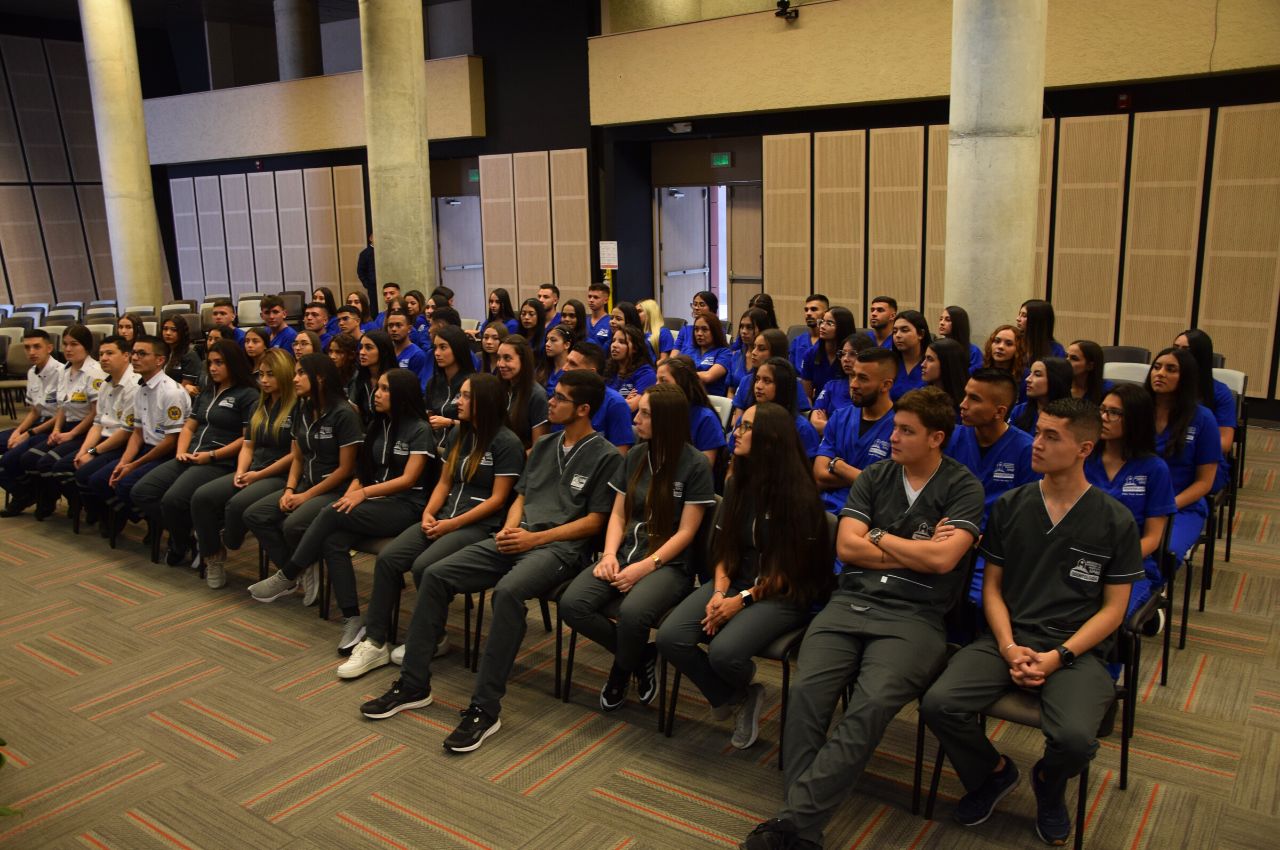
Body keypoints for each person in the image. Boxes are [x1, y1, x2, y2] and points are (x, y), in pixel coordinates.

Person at [741, 387, 984, 850]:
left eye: (906, 431)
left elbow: (942, 564)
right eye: (894, 427)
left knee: (868, 708)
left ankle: (792, 826)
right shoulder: (875, 476)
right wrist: (913, 548)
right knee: (809, 694)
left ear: (936, 438)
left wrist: (882, 538)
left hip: (915, 618)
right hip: (849, 604)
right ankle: (802, 829)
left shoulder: (963, 487)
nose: (893, 436)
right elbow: (848, 547)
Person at [358, 370, 622, 755]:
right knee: (434, 574)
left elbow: (595, 521)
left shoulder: (606, 456)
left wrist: (535, 537)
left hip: (558, 548)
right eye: (552, 393)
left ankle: (485, 708)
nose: (550, 401)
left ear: (583, 409)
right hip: (518, 535)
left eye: (560, 398)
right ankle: (413, 684)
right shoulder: (546, 445)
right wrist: (511, 530)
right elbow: (519, 496)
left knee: (508, 593)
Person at [920, 397, 1141, 848]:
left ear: (1084, 448)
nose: (1035, 444)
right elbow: (994, 590)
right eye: (1037, 432)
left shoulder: (1115, 519)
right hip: (1009, 637)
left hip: (1076, 651)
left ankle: (1049, 785)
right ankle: (993, 774)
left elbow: (1114, 611)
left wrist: (1058, 657)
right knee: (939, 703)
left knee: (1076, 741)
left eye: (1050, 436)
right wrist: (1006, 646)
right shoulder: (1013, 505)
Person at [658, 402, 833, 749]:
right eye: (738, 425)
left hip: (782, 593)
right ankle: (738, 695)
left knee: (724, 652)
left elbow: (790, 572)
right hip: (735, 582)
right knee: (670, 637)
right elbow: (724, 550)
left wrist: (742, 600)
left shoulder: (801, 498)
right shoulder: (738, 481)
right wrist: (720, 591)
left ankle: (734, 687)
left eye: (746, 427)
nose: (735, 432)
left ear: (769, 439)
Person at [338, 372, 524, 679]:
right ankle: (375, 641)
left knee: (424, 566)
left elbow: (498, 499)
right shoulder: (458, 434)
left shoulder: (507, 443)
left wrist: (451, 525)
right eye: (459, 394)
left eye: (465, 396)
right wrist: (429, 512)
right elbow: (444, 481)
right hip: (443, 515)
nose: (457, 402)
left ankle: (432, 637)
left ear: (485, 402)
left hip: (478, 523)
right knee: (389, 560)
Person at [251, 368, 432, 652]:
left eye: (385, 389)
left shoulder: (420, 429)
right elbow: (363, 471)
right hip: (374, 502)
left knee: (329, 514)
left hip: (405, 506)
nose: (377, 394)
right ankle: (352, 616)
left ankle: (289, 574)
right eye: (378, 388)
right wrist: (353, 494)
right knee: (332, 541)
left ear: (402, 395)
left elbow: (408, 480)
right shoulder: (378, 424)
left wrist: (361, 494)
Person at [561, 384, 716, 711]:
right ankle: (641, 655)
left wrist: (644, 567)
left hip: (669, 565)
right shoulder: (635, 456)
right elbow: (619, 512)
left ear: (667, 420)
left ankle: (620, 671)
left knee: (632, 614)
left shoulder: (695, 464)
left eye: (645, 413)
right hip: (624, 551)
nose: (637, 417)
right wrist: (607, 555)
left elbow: (687, 532)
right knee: (572, 604)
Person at [242, 354, 362, 600]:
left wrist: (305, 496)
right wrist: (289, 490)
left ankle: (295, 567)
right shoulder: (303, 407)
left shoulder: (344, 413)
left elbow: (346, 469)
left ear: (319, 378)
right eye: (295, 373)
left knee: (293, 524)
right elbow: (297, 457)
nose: (294, 379)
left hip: (334, 488)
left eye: (300, 373)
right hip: (305, 483)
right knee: (255, 514)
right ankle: (300, 568)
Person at [131, 340, 257, 566]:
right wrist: (181, 451)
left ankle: (181, 543)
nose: (213, 368)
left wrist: (213, 455)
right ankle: (189, 535)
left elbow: (246, 439)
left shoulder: (248, 395)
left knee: (172, 500)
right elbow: (190, 426)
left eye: (219, 363)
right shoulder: (208, 391)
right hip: (190, 455)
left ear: (234, 364)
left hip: (218, 462)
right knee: (142, 491)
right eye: (210, 363)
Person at [190, 347, 298, 590]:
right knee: (202, 497)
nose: (264, 380)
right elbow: (247, 446)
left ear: (283, 374)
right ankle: (213, 557)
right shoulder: (260, 405)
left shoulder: (296, 406)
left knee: (237, 506)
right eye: (261, 375)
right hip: (253, 469)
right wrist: (241, 472)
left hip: (280, 474)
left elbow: (295, 455)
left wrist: (256, 475)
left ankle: (225, 540)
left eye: (271, 375)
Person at [947, 369, 1039, 603]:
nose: (963, 404)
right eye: (965, 395)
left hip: (995, 548)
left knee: (977, 599)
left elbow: (1028, 515)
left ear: (999, 411)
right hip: (948, 535)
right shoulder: (952, 438)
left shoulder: (1026, 451)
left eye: (974, 399)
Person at [1086, 384, 1176, 619]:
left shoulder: (1154, 469)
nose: (1104, 418)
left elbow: (1153, 538)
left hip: (1131, 563)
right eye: (1102, 410)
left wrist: (1112, 561)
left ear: (1136, 419)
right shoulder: (1084, 458)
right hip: (1082, 556)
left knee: (1107, 618)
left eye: (1114, 413)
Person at [91, 337, 191, 537]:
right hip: (147, 448)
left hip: (167, 453)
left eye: (142, 354)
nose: (135, 358)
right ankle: (151, 520)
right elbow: (137, 433)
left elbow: (170, 441)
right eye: (134, 353)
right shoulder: (141, 388)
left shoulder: (171, 392)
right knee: (99, 480)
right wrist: (124, 462)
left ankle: (179, 531)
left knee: (126, 485)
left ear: (159, 360)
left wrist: (133, 466)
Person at [1147, 348, 1221, 562]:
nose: (1160, 373)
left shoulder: (1203, 419)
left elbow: (1205, 482)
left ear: (1186, 378)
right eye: (1157, 367)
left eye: (1171, 369)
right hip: (1136, 496)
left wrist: (1168, 504)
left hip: (1181, 505)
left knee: (1162, 552)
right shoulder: (1137, 410)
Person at [30, 326, 106, 519]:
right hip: (66, 426)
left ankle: (77, 500)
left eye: (74, 344)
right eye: (65, 344)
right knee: (33, 459)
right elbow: (61, 406)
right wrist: (56, 429)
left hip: (86, 430)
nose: (68, 349)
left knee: (50, 463)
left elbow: (95, 413)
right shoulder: (65, 370)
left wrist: (71, 434)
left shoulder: (95, 372)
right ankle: (62, 499)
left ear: (87, 347)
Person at [813, 347, 896, 514]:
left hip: (866, 515)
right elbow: (819, 476)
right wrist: (863, 478)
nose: (853, 384)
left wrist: (838, 466)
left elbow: (885, 489)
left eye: (863, 378)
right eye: (853, 376)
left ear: (886, 385)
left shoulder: (899, 427)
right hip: (822, 509)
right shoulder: (839, 417)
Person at [69, 335, 136, 526]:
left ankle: (118, 514)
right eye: (101, 354)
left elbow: (126, 432)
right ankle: (98, 510)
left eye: (109, 353)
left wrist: (92, 452)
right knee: (67, 465)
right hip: (104, 441)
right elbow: (97, 423)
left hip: (121, 444)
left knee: (89, 476)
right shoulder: (106, 383)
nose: (104, 358)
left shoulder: (134, 385)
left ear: (125, 356)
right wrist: (84, 451)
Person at [1173, 328, 1235, 489]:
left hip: (1203, 460)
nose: (1178, 354)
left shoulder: (1219, 392)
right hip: (1169, 454)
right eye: (1175, 347)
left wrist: (1190, 444)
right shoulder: (1165, 387)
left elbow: (1225, 443)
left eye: (1186, 349)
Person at [729, 358, 819, 464]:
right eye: (757, 379)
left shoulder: (802, 428)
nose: (758, 386)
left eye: (767, 381)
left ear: (782, 386)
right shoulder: (747, 419)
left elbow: (807, 472)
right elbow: (734, 460)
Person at [558, 343, 636, 453]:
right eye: (566, 361)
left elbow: (619, 456)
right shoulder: (561, 398)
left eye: (572, 364)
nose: (564, 368)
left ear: (591, 373)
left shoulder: (615, 404)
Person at [657, 356, 726, 467]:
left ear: (682, 383)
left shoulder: (706, 419)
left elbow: (705, 468)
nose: (657, 386)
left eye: (664, 381)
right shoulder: (661, 412)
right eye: (657, 380)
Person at [734, 328, 812, 423]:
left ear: (776, 353)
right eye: (754, 347)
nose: (753, 352)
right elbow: (738, 423)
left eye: (761, 348)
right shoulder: (746, 381)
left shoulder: (791, 382)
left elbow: (799, 418)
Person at [495, 335, 550, 451]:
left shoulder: (537, 395)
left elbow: (538, 448)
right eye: (499, 358)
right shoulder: (498, 388)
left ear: (523, 360)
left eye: (507, 358)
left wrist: (511, 461)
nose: (500, 364)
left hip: (520, 462)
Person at [424, 324, 476, 445]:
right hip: (434, 446)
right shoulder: (433, 383)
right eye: (435, 347)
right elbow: (428, 415)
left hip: (462, 446)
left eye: (443, 347)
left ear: (457, 349)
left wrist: (450, 422)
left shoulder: (472, 383)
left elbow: (479, 426)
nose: (437, 353)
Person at [802, 306, 855, 401]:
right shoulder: (811, 354)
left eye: (829, 323)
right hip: (819, 408)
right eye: (822, 321)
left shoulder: (853, 355)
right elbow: (807, 396)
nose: (822, 326)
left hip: (847, 406)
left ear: (842, 327)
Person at [1010, 356, 1073, 435]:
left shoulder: (1072, 417)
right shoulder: (1019, 411)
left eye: (1037, 374)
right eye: (1030, 373)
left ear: (1055, 380)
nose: (1028, 379)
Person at [351, 330, 397, 424]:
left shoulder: (396, 380)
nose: (362, 352)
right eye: (361, 347)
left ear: (383, 351)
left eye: (368, 348)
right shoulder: (358, 378)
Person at [607, 325, 657, 410]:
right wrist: (623, 401)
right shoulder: (609, 369)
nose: (614, 345)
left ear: (635, 348)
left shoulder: (646, 374)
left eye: (622, 342)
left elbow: (631, 407)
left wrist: (618, 402)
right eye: (613, 341)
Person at [890, 310, 932, 401]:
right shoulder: (889, 363)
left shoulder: (932, 364)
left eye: (904, 330)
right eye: (894, 331)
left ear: (921, 334)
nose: (898, 335)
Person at [384, 309, 432, 389]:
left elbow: (418, 387)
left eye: (399, 325)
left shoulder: (417, 355)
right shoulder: (386, 351)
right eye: (390, 325)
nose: (394, 329)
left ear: (409, 329)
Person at [922, 337, 970, 412]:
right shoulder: (921, 396)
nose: (923, 364)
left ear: (946, 364)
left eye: (930, 359)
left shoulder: (965, 404)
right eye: (925, 358)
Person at [691, 313, 733, 397]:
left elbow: (708, 376)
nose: (699, 333)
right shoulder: (689, 350)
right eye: (696, 329)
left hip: (712, 401)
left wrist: (683, 374)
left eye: (704, 329)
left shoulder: (725, 353)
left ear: (715, 331)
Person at [728, 308, 768, 394]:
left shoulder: (768, 357)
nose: (743, 331)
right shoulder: (736, 355)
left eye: (749, 327)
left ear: (762, 329)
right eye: (742, 327)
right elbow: (731, 391)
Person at [982, 323, 1027, 397]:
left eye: (1009, 344)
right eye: (997, 341)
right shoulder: (977, 370)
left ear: (1018, 350)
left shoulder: (1026, 377)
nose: (1000, 347)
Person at [160, 316, 201, 396]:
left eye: (173, 330)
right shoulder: (161, 352)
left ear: (182, 332)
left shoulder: (189, 355)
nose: (168, 333)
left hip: (177, 398)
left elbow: (185, 388)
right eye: (165, 329)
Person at [790, 295, 828, 373]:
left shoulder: (831, 342)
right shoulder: (797, 341)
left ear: (826, 314)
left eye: (814, 309)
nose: (808, 313)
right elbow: (790, 372)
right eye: (806, 310)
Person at [939, 305, 983, 372]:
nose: (941, 323)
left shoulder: (974, 352)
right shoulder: (937, 348)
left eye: (947, 320)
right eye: (941, 319)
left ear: (958, 323)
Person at [675, 291, 717, 356]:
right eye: (695, 304)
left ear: (711, 308)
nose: (696, 308)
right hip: (681, 364)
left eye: (701, 305)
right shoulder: (685, 330)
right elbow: (674, 354)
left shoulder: (716, 330)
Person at [1066, 339, 1107, 404]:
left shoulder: (1107, 389)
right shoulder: (1060, 385)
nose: (1066, 361)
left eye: (1074, 358)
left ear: (1090, 366)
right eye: (1066, 356)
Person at [516, 297, 548, 368]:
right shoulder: (517, 337)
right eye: (523, 314)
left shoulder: (546, 339)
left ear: (539, 316)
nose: (526, 317)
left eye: (531, 314)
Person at [541, 325, 572, 397]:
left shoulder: (572, 371)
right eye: (547, 340)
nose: (547, 344)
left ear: (566, 345)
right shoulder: (542, 369)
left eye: (553, 340)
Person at [585, 281, 613, 348]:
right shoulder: (583, 320)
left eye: (596, 297)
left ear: (606, 300)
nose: (591, 300)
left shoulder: (611, 322)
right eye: (589, 296)